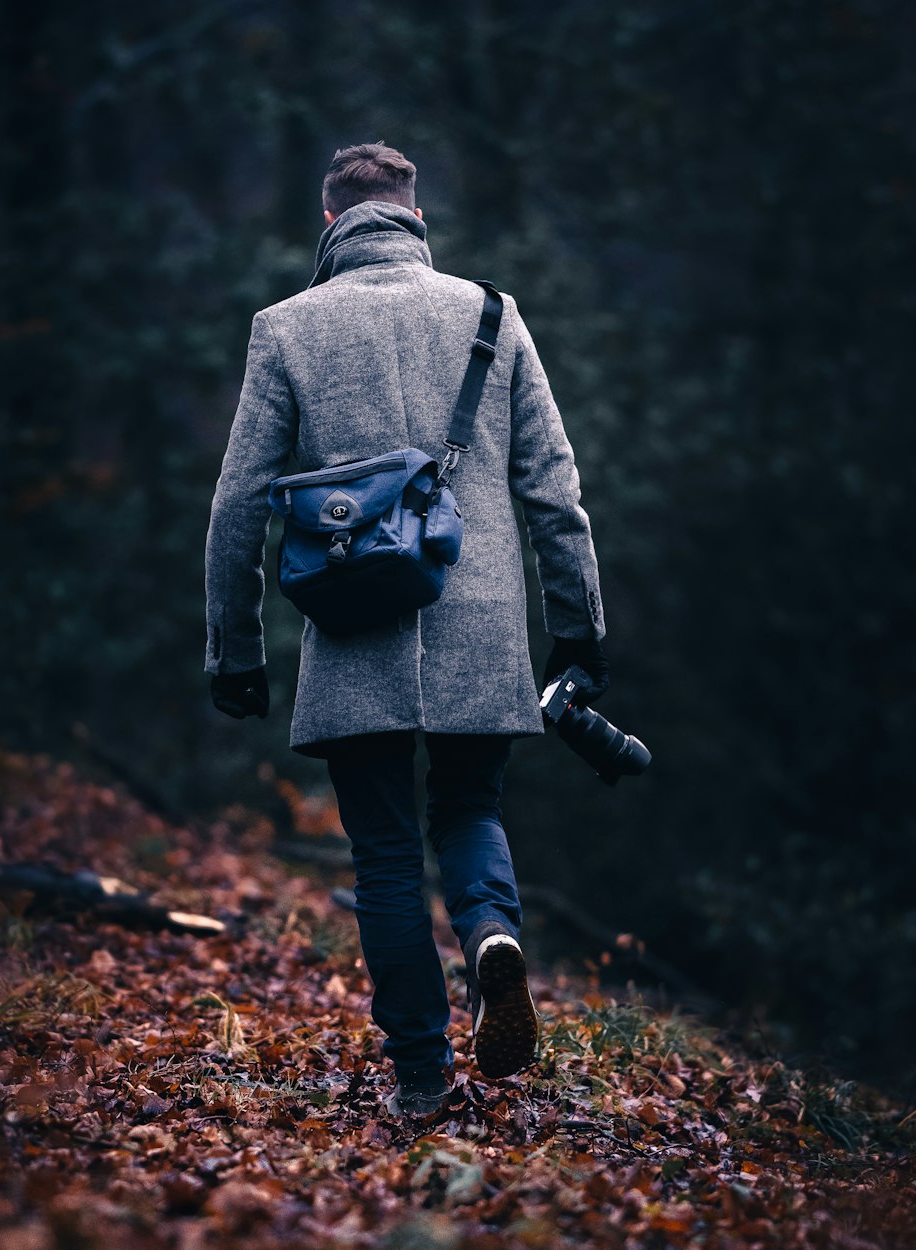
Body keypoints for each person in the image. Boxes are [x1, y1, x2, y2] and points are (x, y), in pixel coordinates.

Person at [205, 142, 609, 1119]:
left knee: (383, 856)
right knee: (468, 810)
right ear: (416, 221)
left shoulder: (286, 327)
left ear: (329, 225)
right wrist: (578, 629)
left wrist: (236, 647)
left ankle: (421, 1076)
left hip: (352, 626)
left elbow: (236, 506)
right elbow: (553, 490)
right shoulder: (489, 314)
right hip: (475, 619)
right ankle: (489, 937)